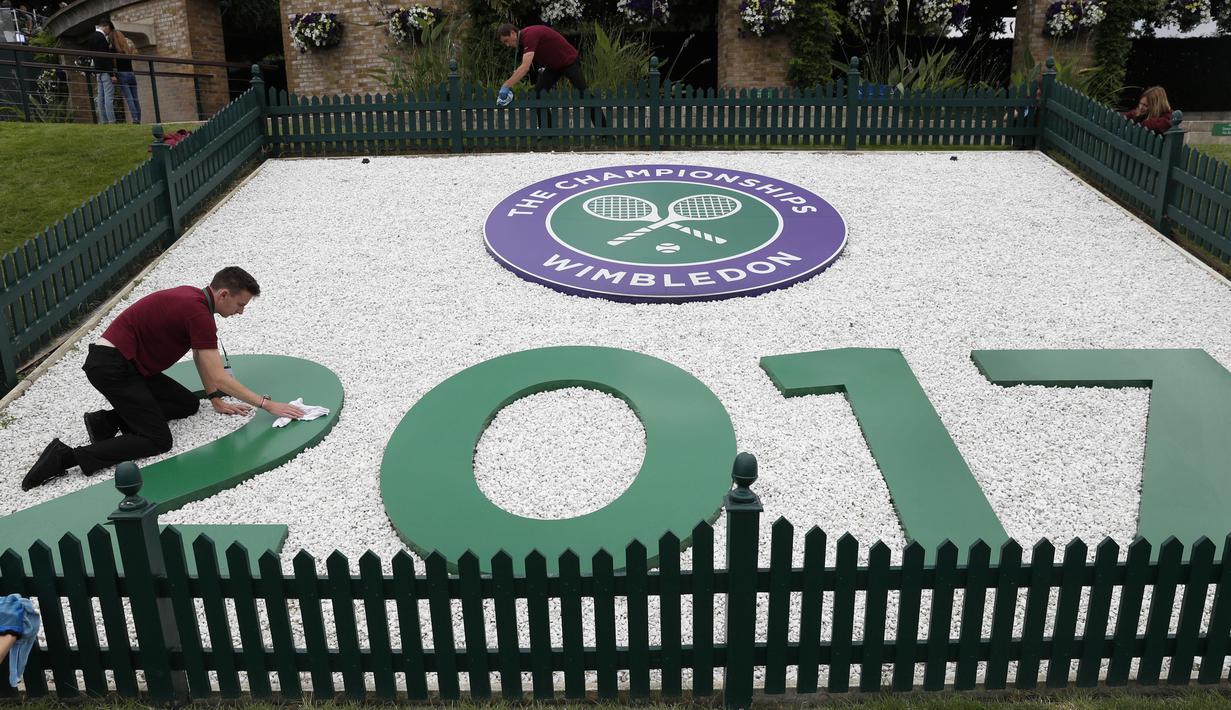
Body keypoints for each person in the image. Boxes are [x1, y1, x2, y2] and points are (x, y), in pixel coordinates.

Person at [21, 267, 306, 491]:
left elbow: (200, 356)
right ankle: (65, 457)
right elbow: (219, 375)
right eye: (240, 304)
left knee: (186, 404)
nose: (241, 312)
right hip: (113, 368)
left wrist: (214, 398)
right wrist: (267, 404)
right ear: (222, 294)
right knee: (157, 440)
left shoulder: (194, 298)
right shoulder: (199, 314)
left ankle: (105, 422)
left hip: (124, 363)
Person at [496, 23, 606, 130]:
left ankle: (604, 131)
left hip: (569, 61)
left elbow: (525, 67)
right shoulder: (524, 39)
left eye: (506, 41)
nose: (507, 45)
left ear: (513, 33)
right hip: (553, 67)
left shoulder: (529, 36)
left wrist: (506, 85)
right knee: (536, 95)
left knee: (584, 94)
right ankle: (547, 133)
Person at [81, 16, 115, 124]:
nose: (108, 33)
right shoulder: (102, 38)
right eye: (109, 30)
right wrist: (112, 74)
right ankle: (112, 120)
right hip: (105, 71)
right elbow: (106, 57)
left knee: (100, 97)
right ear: (106, 27)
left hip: (98, 71)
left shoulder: (91, 37)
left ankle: (103, 120)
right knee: (108, 97)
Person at [111, 26, 140, 123]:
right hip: (131, 73)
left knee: (129, 99)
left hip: (122, 74)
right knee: (135, 98)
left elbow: (114, 64)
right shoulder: (128, 49)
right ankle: (138, 118)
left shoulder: (113, 50)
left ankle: (135, 119)